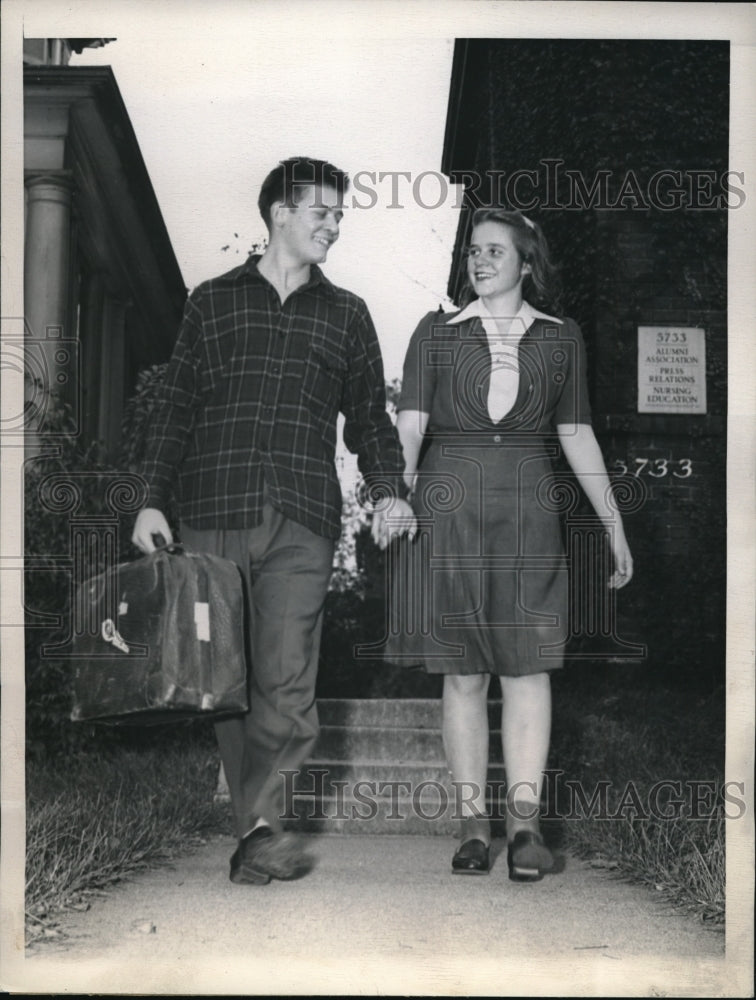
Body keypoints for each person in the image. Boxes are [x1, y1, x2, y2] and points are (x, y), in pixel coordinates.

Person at [132, 157, 415, 885]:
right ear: (279, 213)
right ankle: (253, 825)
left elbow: (371, 421)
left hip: (302, 514)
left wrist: (388, 490)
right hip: (211, 510)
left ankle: (261, 825)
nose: (334, 224)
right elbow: (176, 409)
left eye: (340, 214)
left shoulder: (346, 312)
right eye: (321, 211)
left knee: (287, 673)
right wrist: (150, 498)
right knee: (227, 680)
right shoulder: (211, 303)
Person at [381, 208, 633, 880]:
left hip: (529, 513)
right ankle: (472, 827)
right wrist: (396, 496)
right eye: (473, 251)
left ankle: (525, 829)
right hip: (449, 509)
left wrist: (612, 520)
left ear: (527, 264)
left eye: (496, 251)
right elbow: (409, 429)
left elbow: (577, 435)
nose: (480, 260)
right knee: (464, 672)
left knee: (528, 669)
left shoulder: (561, 340)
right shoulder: (436, 333)